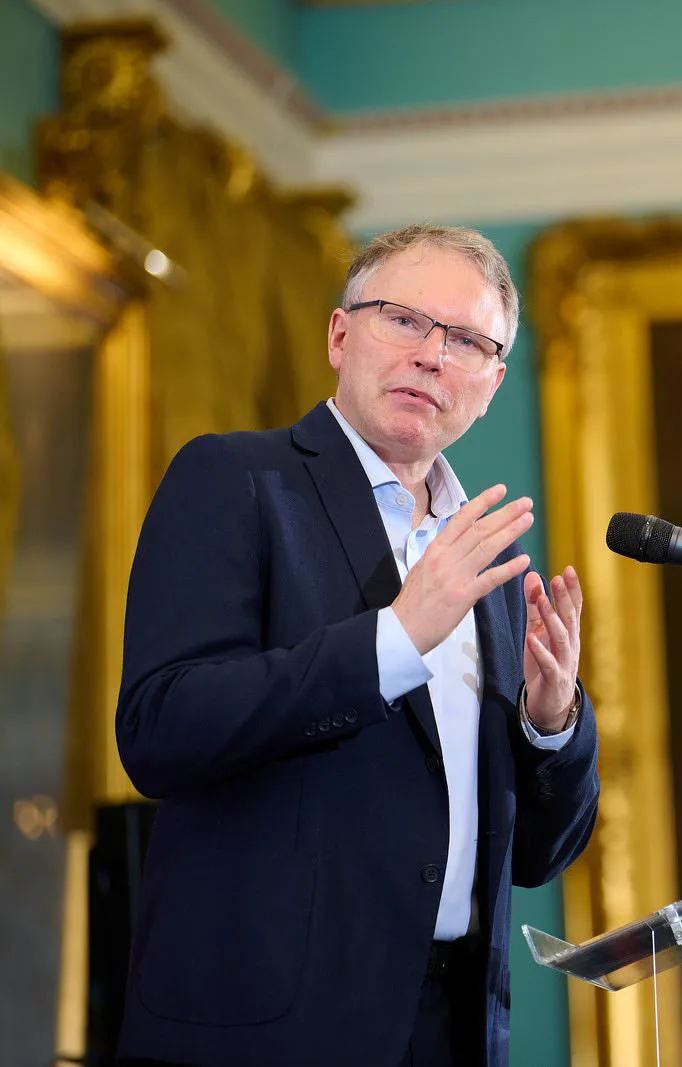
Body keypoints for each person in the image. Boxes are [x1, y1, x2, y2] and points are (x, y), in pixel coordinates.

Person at [111, 225, 600, 1067]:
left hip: (448, 1026)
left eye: (466, 341)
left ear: (492, 381)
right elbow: (160, 729)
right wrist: (395, 639)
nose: (430, 355)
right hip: (268, 1029)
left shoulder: (479, 556)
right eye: (404, 320)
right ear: (341, 335)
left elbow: (532, 858)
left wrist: (551, 724)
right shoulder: (235, 481)